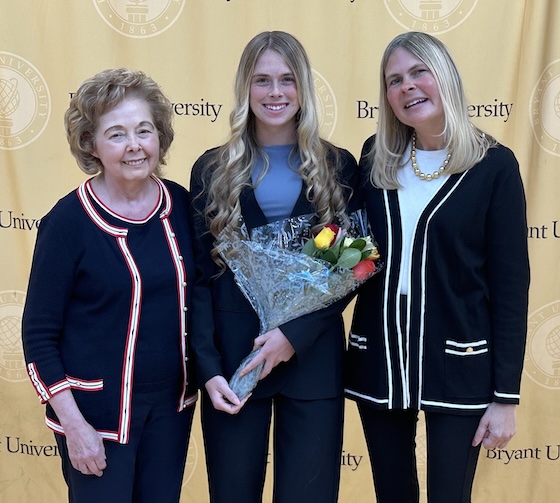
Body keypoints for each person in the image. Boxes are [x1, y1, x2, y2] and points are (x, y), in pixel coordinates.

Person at [345, 32, 530, 503]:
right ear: (387, 96)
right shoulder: (375, 157)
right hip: (380, 359)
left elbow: (510, 288)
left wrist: (506, 396)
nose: (407, 87)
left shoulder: (494, 166)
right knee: (391, 493)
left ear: (444, 76)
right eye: (394, 80)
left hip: (460, 362)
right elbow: (353, 254)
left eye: (418, 72)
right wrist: (304, 276)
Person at [189, 31, 358, 503]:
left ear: (304, 88)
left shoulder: (338, 167)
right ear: (245, 89)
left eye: (287, 79)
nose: (275, 92)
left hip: (314, 361)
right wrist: (207, 368)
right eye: (262, 80)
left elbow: (347, 271)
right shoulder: (212, 170)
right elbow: (200, 280)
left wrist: (294, 336)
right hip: (233, 366)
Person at [22, 68, 198, 503]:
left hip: (171, 413)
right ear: (92, 145)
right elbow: (38, 335)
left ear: (160, 137)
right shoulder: (67, 223)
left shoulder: (182, 205)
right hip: (95, 420)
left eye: (144, 130)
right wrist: (74, 426)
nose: (135, 145)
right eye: (117, 134)